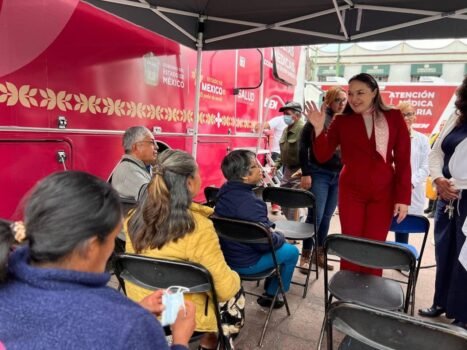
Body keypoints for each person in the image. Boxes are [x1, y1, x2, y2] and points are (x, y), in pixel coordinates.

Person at [0, 171, 195, 349]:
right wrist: (180, 340)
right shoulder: (133, 328)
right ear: (92, 246)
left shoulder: (6, 285)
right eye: (112, 238)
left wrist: (129, 311)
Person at [125, 149, 243, 350]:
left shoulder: (133, 218)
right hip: (183, 316)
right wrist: (235, 277)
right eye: (197, 173)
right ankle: (210, 342)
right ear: (189, 183)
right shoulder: (198, 228)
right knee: (235, 292)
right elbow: (224, 290)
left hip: (145, 306)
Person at [306, 73, 412, 276]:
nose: (354, 99)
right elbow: (322, 155)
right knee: (351, 243)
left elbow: (403, 161)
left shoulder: (394, 117)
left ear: (374, 92)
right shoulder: (342, 121)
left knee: (375, 246)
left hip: (384, 192)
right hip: (351, 191)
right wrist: (319, 128)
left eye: (360, 93)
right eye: (351, 93)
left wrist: (403, 198)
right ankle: (348, 294)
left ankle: (369, 296)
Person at [214, 149, 299, 309]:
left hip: (226, 257)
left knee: (280, 244)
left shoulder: (223, 193)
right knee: (292, 252)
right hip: (246, 263)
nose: (261, 169)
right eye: (256, 166)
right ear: (245, 176)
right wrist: (280, 236)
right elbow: (266, 244)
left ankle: (272, 285)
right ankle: (273, 293)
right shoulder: (252, 204)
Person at [418, 76, 467, 330]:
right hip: (445, 193)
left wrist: (457, 184)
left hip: (464, 196)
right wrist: (438, 179)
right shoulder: (455, 117)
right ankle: (441, 302)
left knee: (464, 255)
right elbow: (436, 151)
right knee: (444, 250)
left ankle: (462, 312)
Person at [298, 87, 347, 272]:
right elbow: (303, 146)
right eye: (338, 100)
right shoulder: (318, 118)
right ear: (328, 101)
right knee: (315, 216)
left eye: (344, 100)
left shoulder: (344, 120)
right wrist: (305, 172)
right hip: (319, 173)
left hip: (338, 175)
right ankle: (305, 254)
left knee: (326, 217)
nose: (342, 104)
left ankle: (319, 254)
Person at [394, 101, 430, 244]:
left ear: (415, 116)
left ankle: (401, 257)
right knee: (388, 222)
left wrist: (409, 183)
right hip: (392, 187)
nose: (407, 118)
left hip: (412, 188)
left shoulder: (422, 139)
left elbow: (426, 166)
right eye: (403, 115)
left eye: (410, 114)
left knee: (404, 224)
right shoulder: (392, 137)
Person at [274, 101, 306, 220]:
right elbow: (284, 151)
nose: (285, 117)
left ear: (297, 115)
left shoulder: (304, 130)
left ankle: (294, 234)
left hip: (299, 171)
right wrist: (276, 165)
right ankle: (296, 221)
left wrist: (304, 171)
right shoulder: (286, 130)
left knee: (293, 205)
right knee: (283, 200)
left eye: (287, 113)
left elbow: (310, 153)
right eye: (284, 114)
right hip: (287, 171)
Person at [109, 126, 158, 200]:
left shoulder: (143, 166)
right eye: (152, 142)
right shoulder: (128, 171)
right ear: (136, 147)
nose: (157, 147)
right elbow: (155, 198)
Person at [425, 119, 447, 218]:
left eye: (444, 124)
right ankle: (430, 206)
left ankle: (434, 210)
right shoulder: (435, 136)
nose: (442, 126)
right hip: (431, 163)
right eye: (441, 124)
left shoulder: (447, 136)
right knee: (430, 186)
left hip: (441, 166)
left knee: (437, 189)